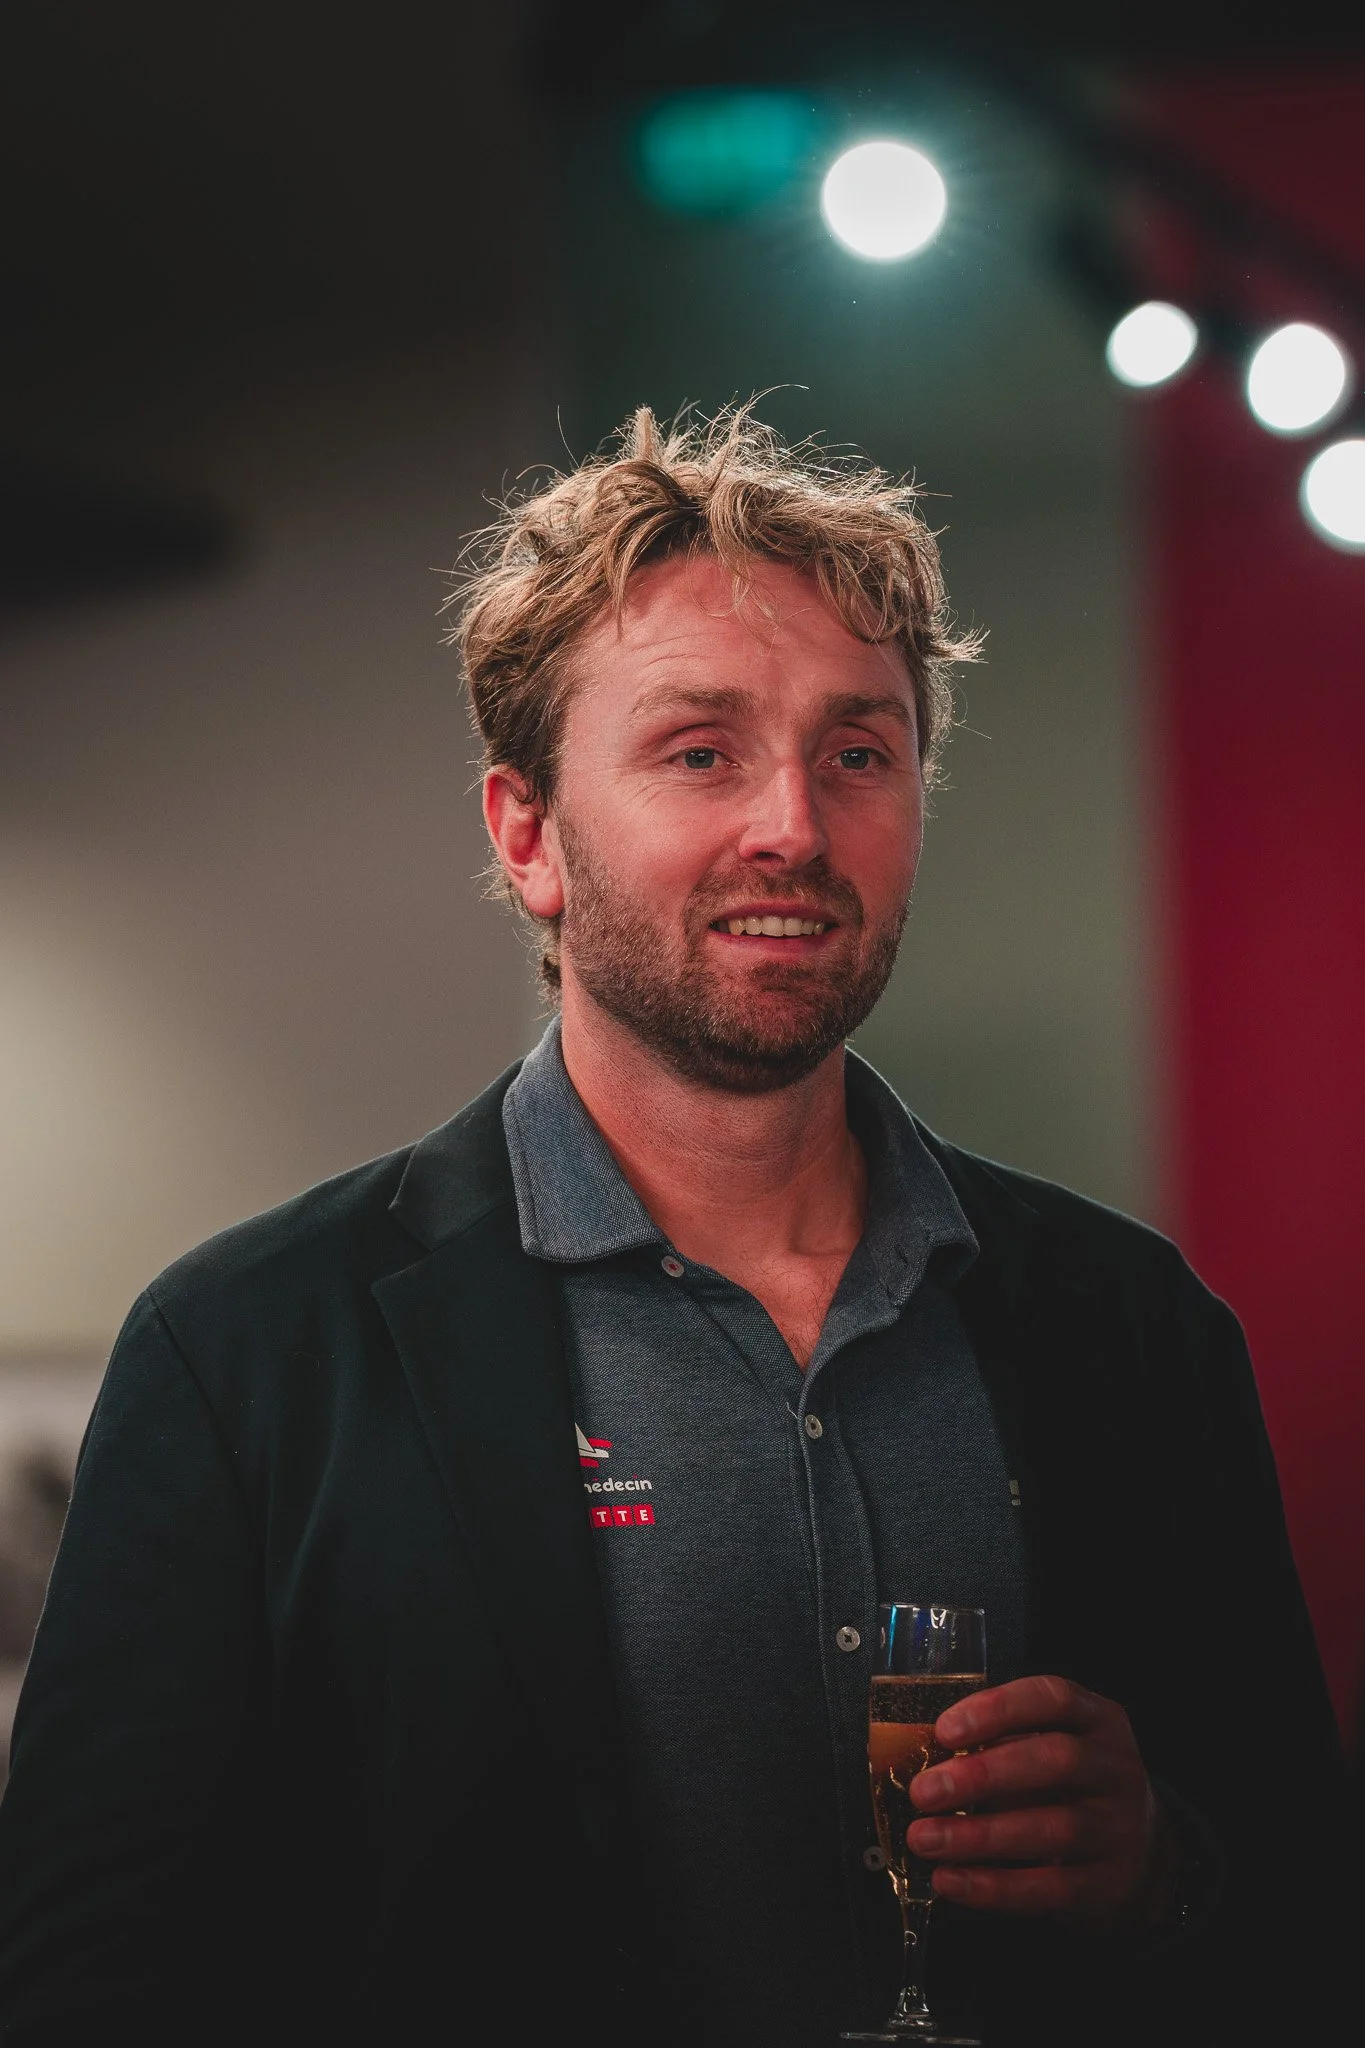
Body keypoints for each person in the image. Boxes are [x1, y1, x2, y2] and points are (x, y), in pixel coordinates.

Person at [0, 407, 1344, 2047]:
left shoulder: (1133, 1326)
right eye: (700, 751)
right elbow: (81, 1983)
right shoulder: (248, 1355)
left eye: (859, 754)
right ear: (528, 836)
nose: (795, 825)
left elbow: (1308, 1921)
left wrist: (1164, 1877)